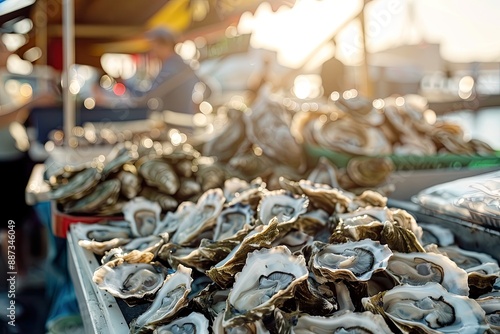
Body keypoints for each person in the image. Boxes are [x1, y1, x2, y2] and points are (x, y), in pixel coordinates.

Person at [0, 37, 55, 280]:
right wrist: (32, 100)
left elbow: (14, 117)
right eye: (3, 48)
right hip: (3, 161)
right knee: (8, 225)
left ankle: (21, 272)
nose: (7, 52)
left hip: (14, 157)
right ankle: (15, 279)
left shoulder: (5, 79)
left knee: (17, 222)